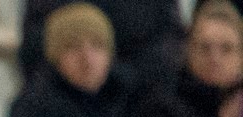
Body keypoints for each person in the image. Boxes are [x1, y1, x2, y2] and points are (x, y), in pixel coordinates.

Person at [1, 2, 149, 117]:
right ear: (55, 57)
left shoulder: (133, 103)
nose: (87, 59)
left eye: (97, 46)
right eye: (73, 47)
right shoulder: (34, 112)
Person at [135, 0, 242, 117]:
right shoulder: (163, 108)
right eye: (205, 48)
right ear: (189, 51)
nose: (215, 58)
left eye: (226, 49)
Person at [19, 0, 183, 93]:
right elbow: (36, 50)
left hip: (140, 105)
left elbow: (167, 45)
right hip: (66, 103)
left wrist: (118, 79)